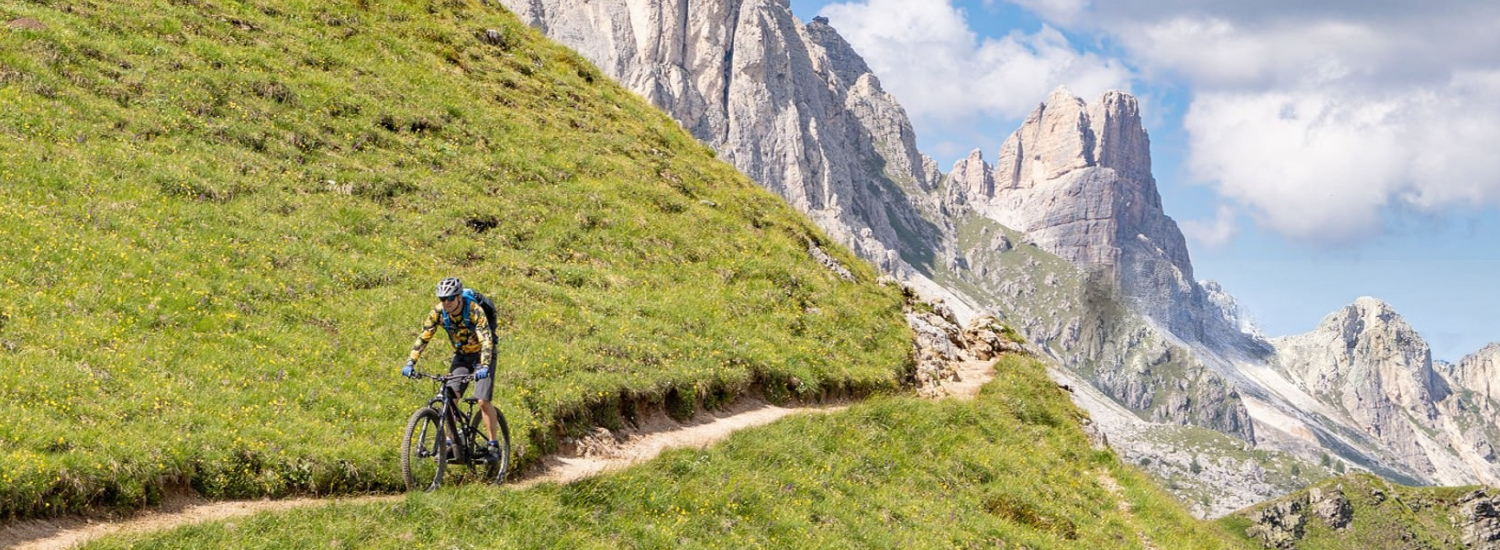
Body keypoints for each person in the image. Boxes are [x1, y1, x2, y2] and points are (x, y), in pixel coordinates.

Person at [402, 277, 502, 461]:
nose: (446, 302)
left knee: (482, 400)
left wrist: (485, 365)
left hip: (483, 355)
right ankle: (451, 443)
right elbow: (424, 337)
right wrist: (411, 362)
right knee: (450, 397)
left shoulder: (473, 310)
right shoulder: (438, 313)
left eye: (450, 298)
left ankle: (493, 445)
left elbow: (486, 339)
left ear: (458, 297)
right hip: (462, 355)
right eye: (442, 299)